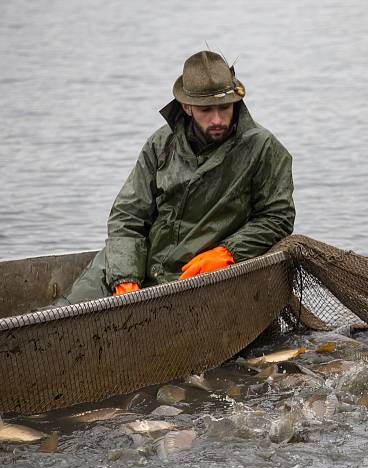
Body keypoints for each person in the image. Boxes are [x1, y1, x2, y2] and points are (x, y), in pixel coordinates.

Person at [57, 51, 295, 304]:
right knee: (57, 314)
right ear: (187, 106)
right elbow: (128, 214)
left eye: (224, 107)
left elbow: (277, 217)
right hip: (135, 261)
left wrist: (228, 252)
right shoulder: (161, 143)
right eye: (206, 109)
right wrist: (125, 275)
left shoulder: (264, 148)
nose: (217, 119)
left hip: (196, 273)